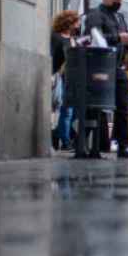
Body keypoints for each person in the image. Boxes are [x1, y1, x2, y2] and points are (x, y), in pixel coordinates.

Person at [82, 0, 128, 158]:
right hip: (99, 66)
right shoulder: (95, 15)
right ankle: (84, 143)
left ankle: (123, 146)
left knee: (123, 107)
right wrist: (119, 38)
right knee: (94, 106)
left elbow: (124, 38)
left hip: (118, 66)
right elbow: (93, 37)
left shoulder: (120, 17)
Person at [51, 10, 80, 151]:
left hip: (70, 78)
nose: (78, 25)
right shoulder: (55, 37)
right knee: (67, 110)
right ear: (70, 23)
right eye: (76, 22)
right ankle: (65, 141)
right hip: (57, 76)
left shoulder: (72, 39)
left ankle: (57, 134)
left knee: (73, 111)